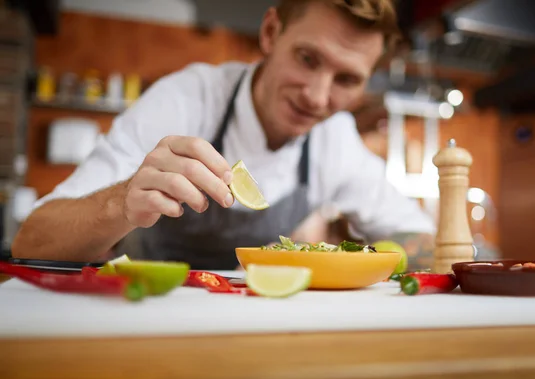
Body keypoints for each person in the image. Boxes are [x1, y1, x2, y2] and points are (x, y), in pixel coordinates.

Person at [12, 0, 436, 270]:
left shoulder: (336, 140)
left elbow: (419, 240)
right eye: (307, 58)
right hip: (142, 315)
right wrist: (121, 200)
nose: (317, 96)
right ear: (270, 33)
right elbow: (31, 240)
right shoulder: (185, 99)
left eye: (346, 78)